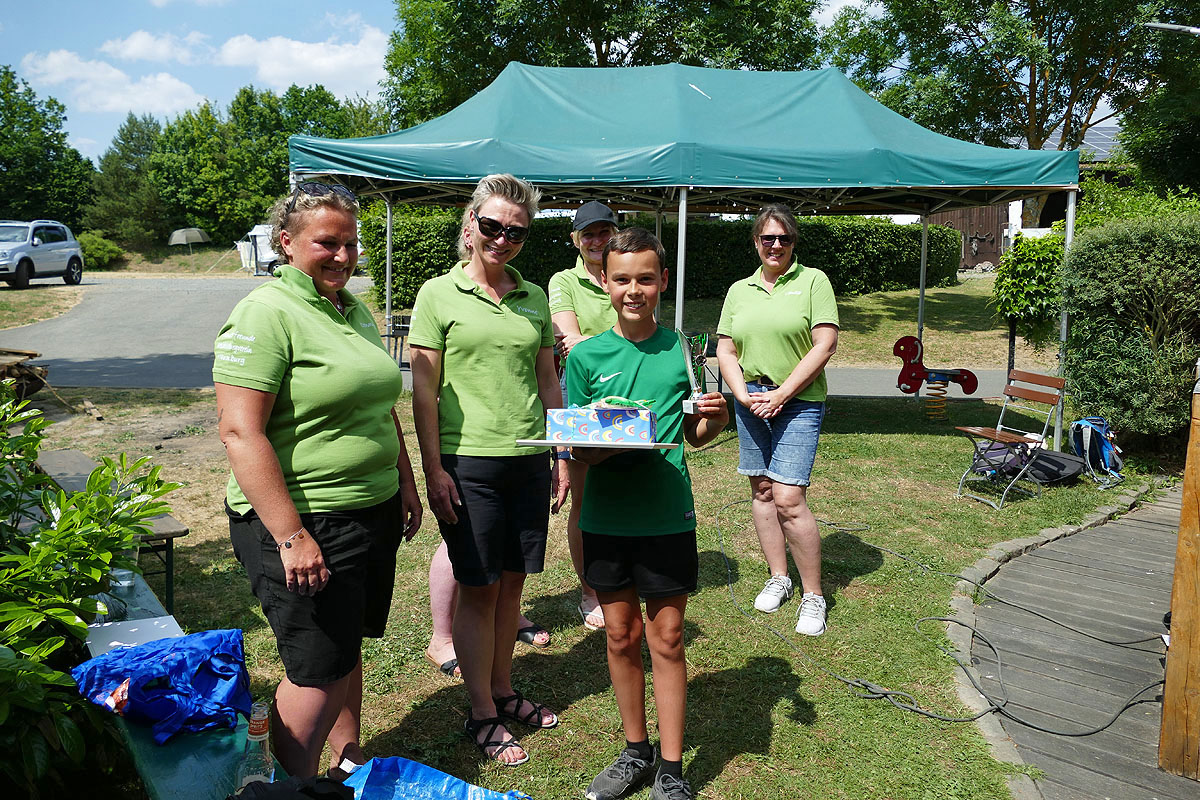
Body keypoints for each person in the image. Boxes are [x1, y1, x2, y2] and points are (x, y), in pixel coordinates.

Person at [214, 181, 423, 779]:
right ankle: (276, 786)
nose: (343, 256)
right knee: (316, 669)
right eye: (326, 243)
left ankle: (347, 758)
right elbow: (239, 432)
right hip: (307, 520)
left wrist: (403, 479)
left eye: (351, 244)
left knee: (345, 643)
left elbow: (378, 406)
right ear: (286, 243)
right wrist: (289, 535)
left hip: (369, 508)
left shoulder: (350, 307)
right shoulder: (267, 312)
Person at [409, 173, 567, 767]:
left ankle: (503, 688)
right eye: (493, 226)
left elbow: (547, 379)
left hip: (528, 459)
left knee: (512, 586)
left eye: (517, 232)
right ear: (471, 225)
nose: (503, 240)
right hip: (468, 462)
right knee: (477, 592)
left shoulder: (532, 296)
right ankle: (480, 711)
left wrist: (562, 451)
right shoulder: (437, 294)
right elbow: (424, 391)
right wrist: (433, 468)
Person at [567, 228, 728, 800]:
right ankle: (634, 751)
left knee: (669, 637)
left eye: (645, 279)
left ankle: (672, 767)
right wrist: (615, 437)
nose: (633, 290)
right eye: (621, 279)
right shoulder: (585, 357)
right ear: (603, 281)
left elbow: (696, 432)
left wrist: (717, 416)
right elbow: (577, 445)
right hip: (606, 517)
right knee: (618, 634)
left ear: (662, 281)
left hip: (665, 513)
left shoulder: (681, 349)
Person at [715, 204, 839, 636]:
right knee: (762, 490)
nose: (775, 245)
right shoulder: (739, 290)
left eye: (784, 238)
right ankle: (778, 577)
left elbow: (824, 344)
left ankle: (813, 595)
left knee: (788, 497)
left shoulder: (813, 281)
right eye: (768, 238)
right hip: (751, 401)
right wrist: (744, 395)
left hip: (799, 401)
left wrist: (783, 394)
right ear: (755, 241)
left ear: (793, 243)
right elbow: (726, 349)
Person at [548, 200, 620, 631]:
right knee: (584, 497)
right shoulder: (564, 280)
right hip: (578, 397)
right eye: (588, 234)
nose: (597, 240)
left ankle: (621, 577)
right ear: (576, 239)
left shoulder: (625, 270)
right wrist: (624, 349)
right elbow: (568, 341)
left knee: (626, 490)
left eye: (604, 231)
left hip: (629, 398)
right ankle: (590, 590)